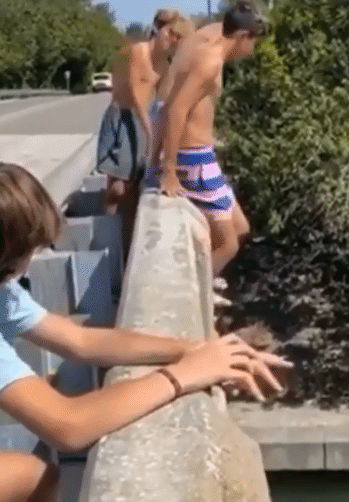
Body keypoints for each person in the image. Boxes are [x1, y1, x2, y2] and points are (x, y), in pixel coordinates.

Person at [0, 162, 292, 501]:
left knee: (37, 476)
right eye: (31, 251)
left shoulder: (4, 292)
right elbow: (69, 426)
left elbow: (81, 341)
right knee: (34, 477)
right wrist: (181, 376)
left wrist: (196, 350)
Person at [144, 1, 270, 278]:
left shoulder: (209, 43)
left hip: (203, 156)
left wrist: (154, 159)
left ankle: (202, 277)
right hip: (194, 159)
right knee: (228, 244)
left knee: (241, 228)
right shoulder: (209, 62)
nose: (252, 50)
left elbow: (166, 105)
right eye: (253, 42)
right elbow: (175, 109)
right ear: (242, 36)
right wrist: (168, 171)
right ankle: (191, 289)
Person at [96, 10, 194, 263]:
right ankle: (105, 245)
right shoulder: (137, 52)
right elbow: (137, 98)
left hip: (145, 118)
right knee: (117, 188)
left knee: (133, 191)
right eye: (170, 33)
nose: (171, 40)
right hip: (124, 117)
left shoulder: (165, 65)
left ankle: (127, 251)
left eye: (177, 38)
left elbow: (163, 103)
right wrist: (152, 138)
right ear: (158, 29)